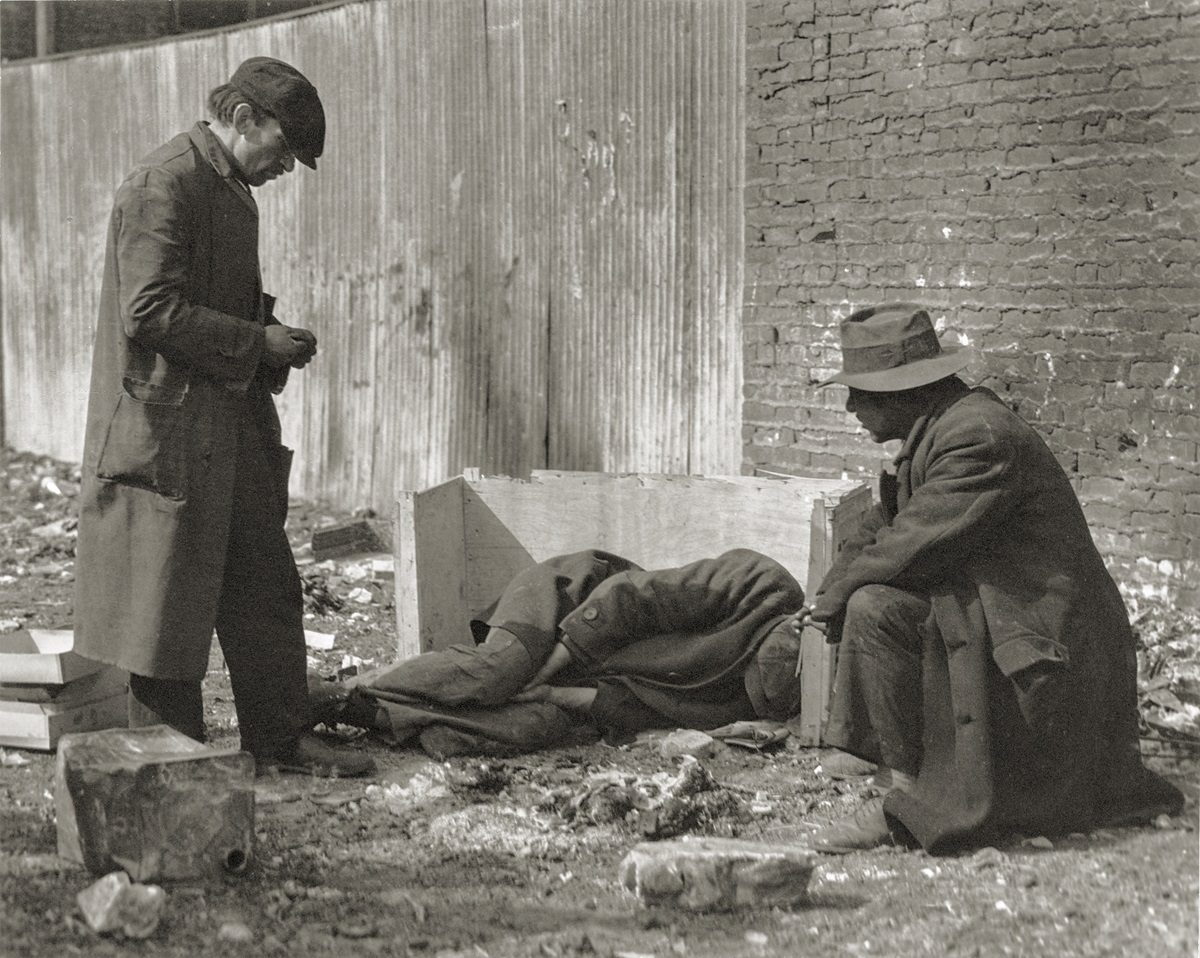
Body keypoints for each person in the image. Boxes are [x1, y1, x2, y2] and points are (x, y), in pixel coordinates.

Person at [73, 57, 373, 778]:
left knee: (264, 584)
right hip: (165, 435)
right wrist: (256, 343)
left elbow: (204, 300)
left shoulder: (226, 186)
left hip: (226, 426)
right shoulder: (165, 182)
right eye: (284, 150)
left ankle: (279, 737)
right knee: (165, 601)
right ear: (242, 119)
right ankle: (174, 761)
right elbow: (148, 311)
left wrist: (271, 344)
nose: (287, 170)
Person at [794, 303, 1182, 854]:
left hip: (1047, 651)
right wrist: (828, 590)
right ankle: (900, 770)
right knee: (871, 599)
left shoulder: (977, 437)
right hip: (999, 623)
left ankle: (905, 795)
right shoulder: (936, 430)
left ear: (903, 390)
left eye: (862, 392)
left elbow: (911, 540)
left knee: (874, 607)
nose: (853, 406)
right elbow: (885, 526)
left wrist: (836, 596)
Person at [310, 548, 807, 757]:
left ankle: (366, 711)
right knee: (499, 671)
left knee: (534, 725)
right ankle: (347, 685)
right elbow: (628, 598)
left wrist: (549, 692)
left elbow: (628, 709)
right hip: (567, 600)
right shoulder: (761, 585)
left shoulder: (742, 705)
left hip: (582, 671)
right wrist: (546, 667)